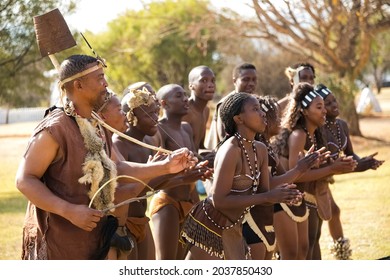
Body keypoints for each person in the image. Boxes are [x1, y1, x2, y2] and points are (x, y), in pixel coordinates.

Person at [15, 54, 197, 260]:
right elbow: (24, 180)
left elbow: (117, 167)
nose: (106, 83)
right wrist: (69, 211)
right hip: (59, 243)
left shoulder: (96, 124)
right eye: (100, 78)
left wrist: (166, 166)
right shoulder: (54, 129)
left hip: (94, 240)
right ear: (78, 85)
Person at [181, 92, 303, 260]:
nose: (262, 113)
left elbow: (263, 193)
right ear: (239, 119)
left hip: (234, 225)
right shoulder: (230, 150)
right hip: (212, 224)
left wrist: (284, 195)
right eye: (255, 109)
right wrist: (269, 195)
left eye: (261, 109)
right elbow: (219, 201)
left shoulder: (259, 149)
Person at [272, 82, 357, 259]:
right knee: (299, 251)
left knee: (308, 245)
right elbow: (297, 176)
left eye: (324, 106)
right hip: (286, 201)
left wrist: (338, 167)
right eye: (319, 107)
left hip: (304, 198)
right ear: (304, 111)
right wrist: (333, 168)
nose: (325, 110)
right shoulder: (298, 135)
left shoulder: (315, 133)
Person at [242, 96, 320, 260]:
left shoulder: (267, 146)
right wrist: (300, 168)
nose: (280, 120)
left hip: (271, 207)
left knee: (302, 250)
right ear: (263, 118)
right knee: (288, 254)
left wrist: (305, 165)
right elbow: (268, 183)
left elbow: (285, 176)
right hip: (256, 214)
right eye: (275, 116)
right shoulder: (252, 147)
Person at [317, 83, 384, 259]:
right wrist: (357, 166)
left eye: (334, 100)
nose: (334, 105)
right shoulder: (318, 130)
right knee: (322, 220)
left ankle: (342, 255)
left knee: (334, 212)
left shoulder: (342, 125)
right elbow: (328, 164)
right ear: (320, 108)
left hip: (326, 178)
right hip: (315, 180)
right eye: (328, 103)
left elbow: (350, 154)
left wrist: (365, 161)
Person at [149, 83, 212, 260]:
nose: (185, 99)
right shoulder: (159, 130)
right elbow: (156, 175)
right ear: (164, 104)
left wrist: (201, 168)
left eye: (185, 94)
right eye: (178, 96)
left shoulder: (186, 128)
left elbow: (193, 160)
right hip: (168, 203)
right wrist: (185, 178)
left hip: (190, 200)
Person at [205, 62, 258, 150]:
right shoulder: (226, 104)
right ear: (234, 81)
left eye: (254, 79)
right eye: (246, 79)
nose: (251, 83)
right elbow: (224, 137)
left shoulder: (254, 102)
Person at [182, 65, 216, 194]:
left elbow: (199, 146)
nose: (210, 85)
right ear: (191, 85)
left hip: (195, 168)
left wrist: (213, 154)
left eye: (213, 81)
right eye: (204, 80)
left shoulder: (206, 111)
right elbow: (183, 151)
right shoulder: (185, 112)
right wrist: (204, 159)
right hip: (182, 172)